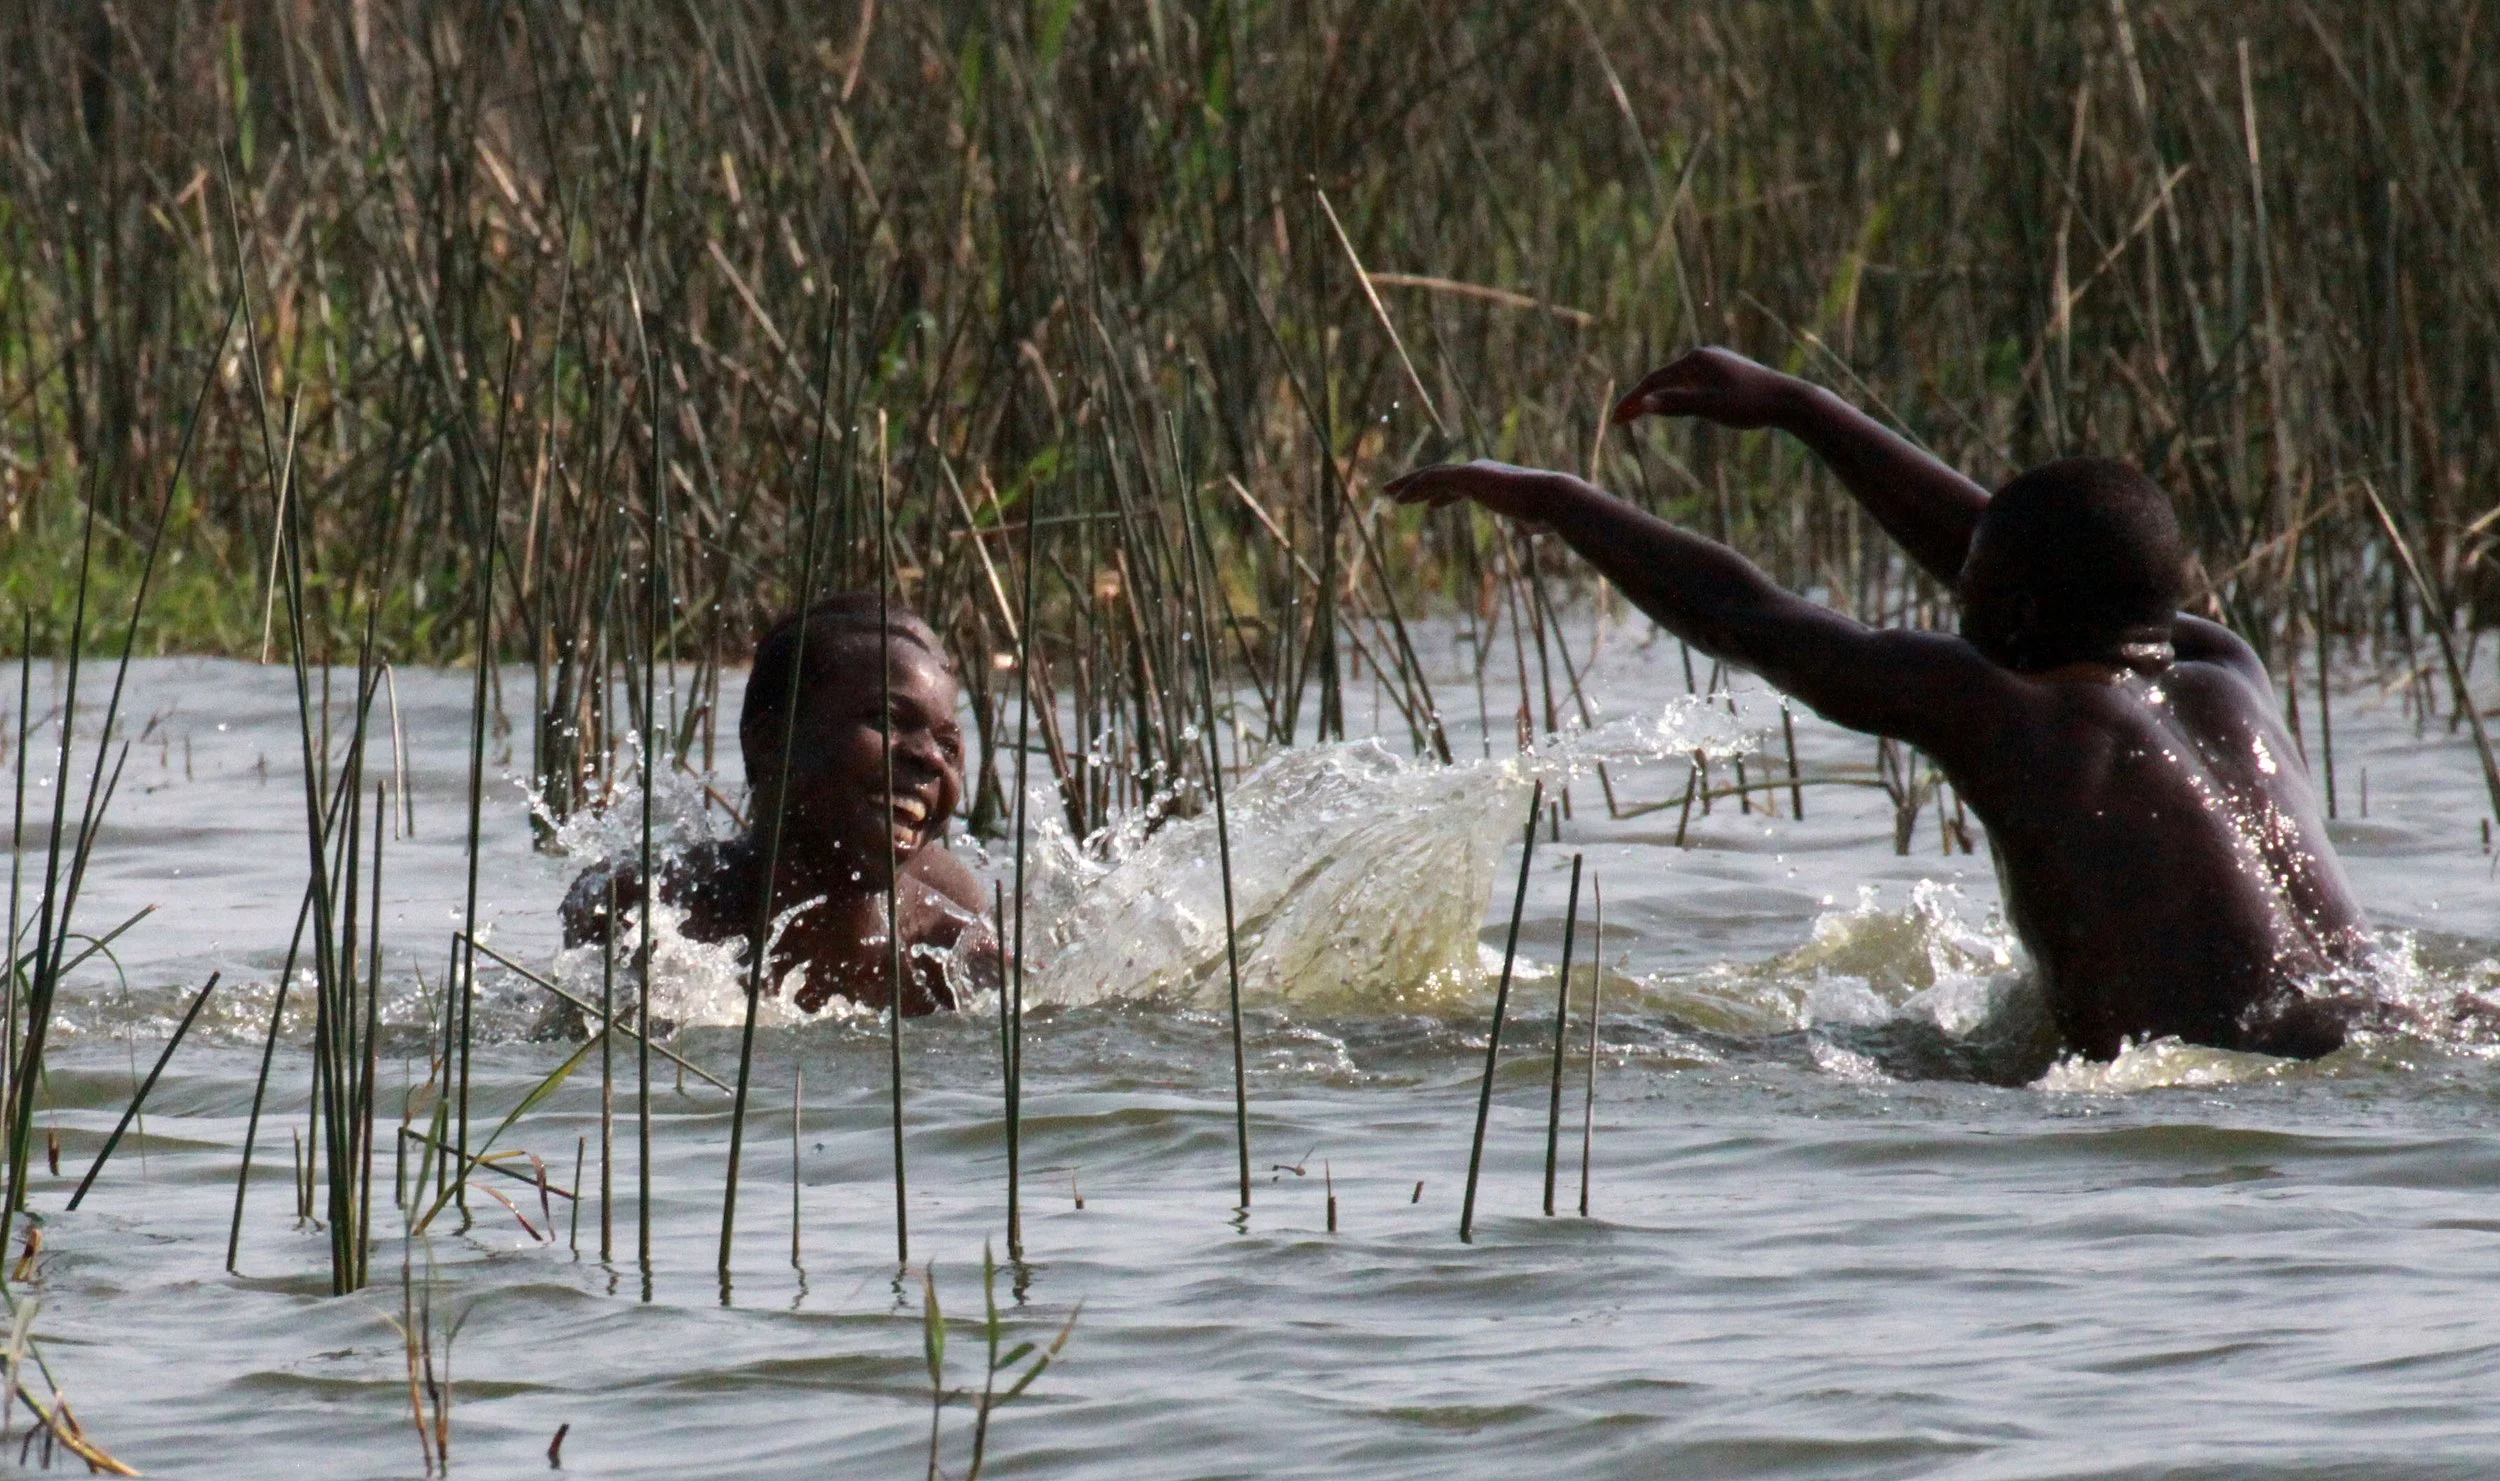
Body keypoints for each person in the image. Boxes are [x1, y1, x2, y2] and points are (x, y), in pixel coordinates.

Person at [1389, 347, 2371, 1062]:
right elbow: (2042, 556)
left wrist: (1555, 499)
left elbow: (1747, 618)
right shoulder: (2224, 674)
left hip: (2224, 1079)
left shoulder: (2015, 718)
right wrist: (1798, 408)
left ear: (2020, 611)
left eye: (1972, 582)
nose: (1953, 590)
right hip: (2376, 1028)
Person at [562, 594, 1000, 1015]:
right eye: (885, 718)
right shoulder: (650, 915)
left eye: (949, 745)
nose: (930, 758)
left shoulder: (959, 958)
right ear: (772, 742)